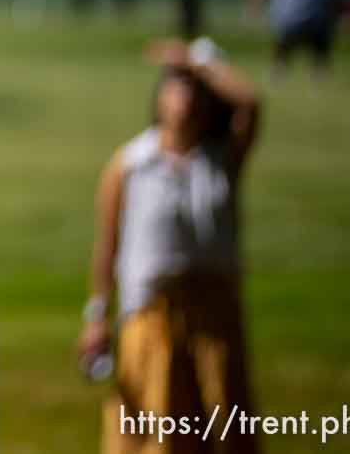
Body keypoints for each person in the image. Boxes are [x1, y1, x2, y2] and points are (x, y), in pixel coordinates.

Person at [78, 37, 263, 454]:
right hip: (150, 316)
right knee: (155, 435)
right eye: (177, 84)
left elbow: (250, 102)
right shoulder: (130, 164)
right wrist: (96, 317)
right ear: (159, 95)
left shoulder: (222, 159)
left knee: (226, 431)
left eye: (196, 88)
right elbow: (107, 248)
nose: (186, 97)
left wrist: (197, 62)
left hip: (215, 319)